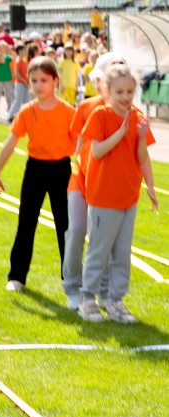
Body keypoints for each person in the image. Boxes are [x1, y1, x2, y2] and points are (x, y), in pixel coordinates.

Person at [78, 64, 158, 322]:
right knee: (99, 251)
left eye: (130, 92)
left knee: (122, 253)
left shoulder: (137, 117)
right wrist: (121, 132)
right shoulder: (100, 115)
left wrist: (151, 186)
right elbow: (98, 151)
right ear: (107, 90)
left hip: (128, 196)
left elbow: (142, 157)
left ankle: (115, 302)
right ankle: (87, 300)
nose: (126, 97)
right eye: (120, 92)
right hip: (104, 197)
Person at [0, 57, 77, 292]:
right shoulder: (27, 111)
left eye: (44, 80)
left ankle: (70, 279)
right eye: (34, 80)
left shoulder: (69, 112)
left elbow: (80, 146)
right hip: (35, 171)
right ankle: (17, 276)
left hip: (61, 170)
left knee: (66, 226)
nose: (39, 85)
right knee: (26, 224)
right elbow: (11, 142)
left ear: (55, 81)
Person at [63, 52, 125, 310]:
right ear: (98, 81)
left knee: (109, 240)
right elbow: (78, 144)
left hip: (111, 184)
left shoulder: (130, 111)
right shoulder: (87, 107)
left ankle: (105, 293)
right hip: (83, 179)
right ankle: (73, 287)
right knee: (77, 229)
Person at [7, 43, 34, 122]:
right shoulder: (18, 60)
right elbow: (16, 73)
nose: (26, 51)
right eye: (24, 50)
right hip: (19, 83)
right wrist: (24, 81)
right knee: (18, 100)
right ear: (20, 51)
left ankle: (24, 116)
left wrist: (27, 81)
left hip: (24, 83)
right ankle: (11, 115)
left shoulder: (24, 60)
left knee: (26, 101)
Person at [0, 41, 14, 119]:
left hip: (7, 78)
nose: (3, 49)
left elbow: (14, 58)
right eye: (1, 47)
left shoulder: (8, 57)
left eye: (4, 47)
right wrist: (0, 52)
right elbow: (0, 60)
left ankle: (9, 112)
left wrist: (8, 50)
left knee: (9, 97)